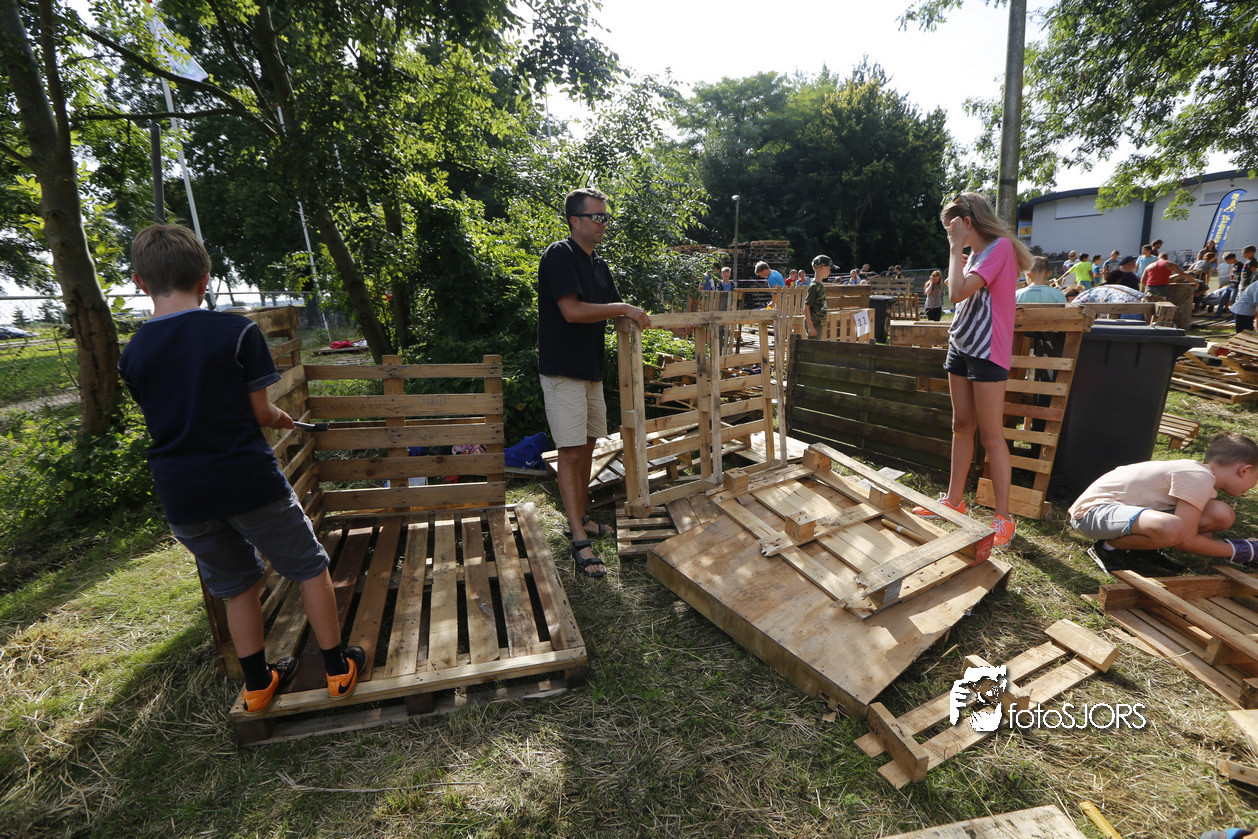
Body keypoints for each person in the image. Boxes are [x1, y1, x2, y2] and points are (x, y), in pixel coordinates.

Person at [119, 224, 366, 715]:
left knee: (236, 586)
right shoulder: (236, 331)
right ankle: (338, 670)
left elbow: (173, 414)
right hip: (246, 480)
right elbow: (259, 412)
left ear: (140, 282)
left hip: (184, 494)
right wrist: (281, 418)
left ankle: (257, 686)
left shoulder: (133, 353)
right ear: (205, 279)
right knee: (310, 567)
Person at [538, 187, 651, 578]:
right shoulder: (559, 255)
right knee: (570, 453)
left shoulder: (600, 266)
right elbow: (571, 311)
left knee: (587, 447)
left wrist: (656, 321)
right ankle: (577, 537)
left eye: (606, 217)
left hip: (591, 371)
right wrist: (623, 307)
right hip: (563, 371)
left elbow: (618, 313)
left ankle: (582, 516)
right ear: (575, 221)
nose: (604, 223)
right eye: (596, 216)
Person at [910, 192, 1032, 547]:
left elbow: (957, 294)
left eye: (950, 228)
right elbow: (961, 291)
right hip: (961, 346)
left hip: (988, 351)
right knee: (961, 426)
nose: (948, 234)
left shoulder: (1000, 248)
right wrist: (960, 259)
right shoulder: (978, 254)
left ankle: (1004, 518)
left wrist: (953, 252)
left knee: (991, 436)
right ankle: (953, 501)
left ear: (966, 222)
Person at [1069, 432, 1258, 574]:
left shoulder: (1202, 479)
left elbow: (1200, 539)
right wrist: (1245, 550)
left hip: (1124, 513)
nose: (1254, 485)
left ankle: (1139, 549)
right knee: (1173, 528)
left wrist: (1241, 551)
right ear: (1244, 470)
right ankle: (1108, 548)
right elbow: (1185, 540)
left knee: (1220, 513)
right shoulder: (1198, 477)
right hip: (1092, 514)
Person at [1072, 269, 1147, 305]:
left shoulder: (1090, 292)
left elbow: (1075, 304)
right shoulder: (1123, 288)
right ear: (1119, 280)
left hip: (1124, 305)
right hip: (1142, 300)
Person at [804, 255, 831, 338]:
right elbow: (806, 307)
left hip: (818, 323)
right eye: (829, 268)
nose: (830, 271)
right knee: (813, 345)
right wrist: (810, 327)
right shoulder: (814, 286)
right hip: (814, 323)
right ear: (822, 268)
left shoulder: (819, 285)